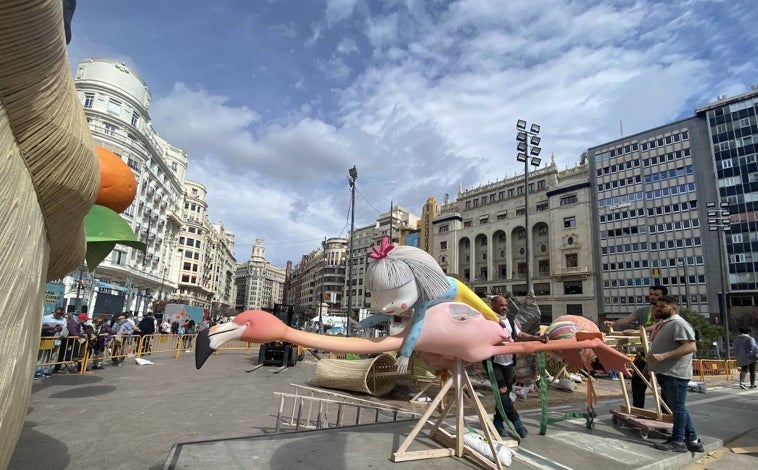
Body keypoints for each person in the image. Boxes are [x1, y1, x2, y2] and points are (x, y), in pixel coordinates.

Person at [483, 295, 546, 439]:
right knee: (503, 391)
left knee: (505, 394)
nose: (504, 307)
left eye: (506, 305)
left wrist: (537, 338)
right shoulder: (488, 320)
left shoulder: (510, 320)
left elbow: (520, 334)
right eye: (501, 305)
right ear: (493, 305)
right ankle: (517, 422)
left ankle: (498, 422)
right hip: (494, 362)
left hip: (508, 362)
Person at [647, 295, 704, 453]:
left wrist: (663, 356)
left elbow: (690, 347)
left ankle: (678, 440)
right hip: (665, 372)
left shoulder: (679, 324)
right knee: (677, 408)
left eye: (662, 306)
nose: (658, 308)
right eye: (657, 306)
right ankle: (692, 440)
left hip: (675, 374)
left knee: (677, 408)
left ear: (673, 308)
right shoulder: (664, 324)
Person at [604, 285, 667, 408]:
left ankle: (667, 413)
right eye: (651, 294)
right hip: (645, 354)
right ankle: (638, 409)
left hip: (661, 355)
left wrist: (639, 330)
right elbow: (628, 319)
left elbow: (660, 325)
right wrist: (613, 323)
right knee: (638, 382)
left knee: (665, 386)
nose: (653, 297)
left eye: (656, 295)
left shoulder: (666, 312)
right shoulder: (643, 310)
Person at [35, 307, 67, 379]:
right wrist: (51, 327)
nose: (59, 315)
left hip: (57, 340)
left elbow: (65, 328)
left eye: (61, 314)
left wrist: (61, 328)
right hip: (47, 339)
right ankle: (37, 372)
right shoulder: (46, 318)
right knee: (42, 356)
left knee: (52, 356)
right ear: (54, 312)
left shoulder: (64, 319)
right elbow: (40, 327)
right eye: (57, 313)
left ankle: (47, 371)